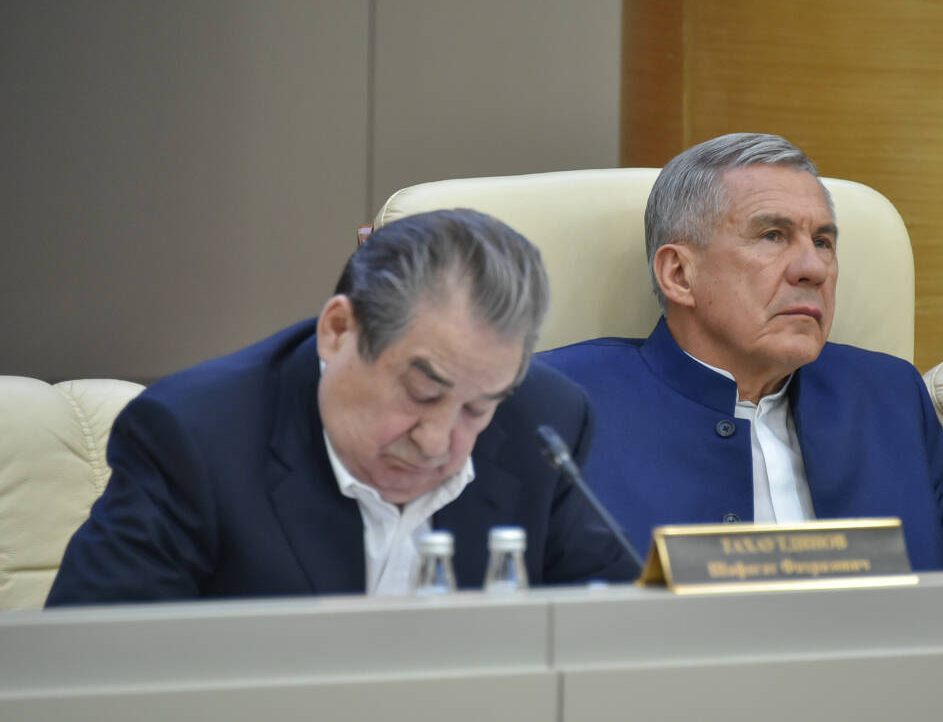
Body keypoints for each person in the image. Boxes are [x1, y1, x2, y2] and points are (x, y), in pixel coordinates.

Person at [47, 209, 638, 605]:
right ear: (337, 332)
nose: (437, 442)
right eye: (421, 393)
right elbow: (91, 672)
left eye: (477, 410)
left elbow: (614, 642)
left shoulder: (545, 421)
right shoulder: (194, 438)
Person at [541, 133, 943, 569]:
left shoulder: (886, 395)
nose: (814, 268)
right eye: (772, 236)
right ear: (680, 274)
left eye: (823, 242)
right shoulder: (557, 405)